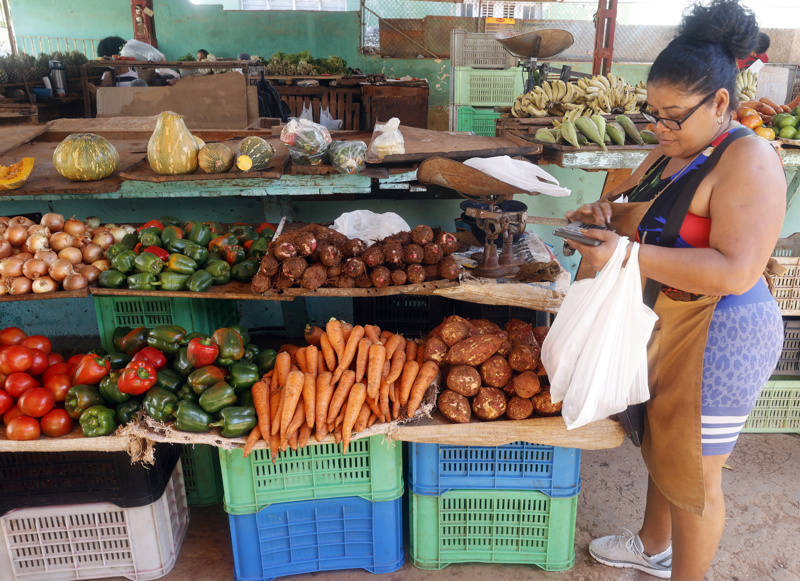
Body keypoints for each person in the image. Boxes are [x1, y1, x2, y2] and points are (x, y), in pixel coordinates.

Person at [563, 1, 786, 579]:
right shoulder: (670, 151)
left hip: (724, 334)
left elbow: (738, 270)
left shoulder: (749, 160)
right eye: (653, 115)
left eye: (673, 116)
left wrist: (628, 254)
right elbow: (638, 210)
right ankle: (653, 546)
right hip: (667, 318)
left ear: (719, 103)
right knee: (662, 445)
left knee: (698, 473)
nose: (659, 129)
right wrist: (604, 216)